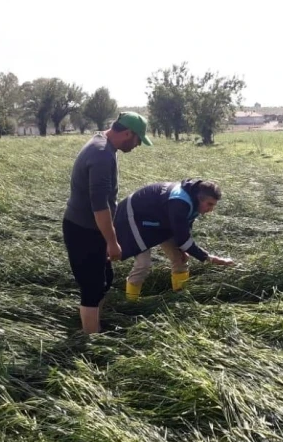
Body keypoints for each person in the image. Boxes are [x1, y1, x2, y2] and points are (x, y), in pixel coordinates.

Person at [62, 112, 152, 334]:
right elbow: (99, 206)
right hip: (84, 230)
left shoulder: (103, 145)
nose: (137, 145)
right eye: (138, 140)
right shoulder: (102, 154)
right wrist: (111, 242)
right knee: (92, 287)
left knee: (105, 278)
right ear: (128, 133)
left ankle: (94, 324)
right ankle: (90, 340)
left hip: (93, 229)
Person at [113, 178, 235, 300]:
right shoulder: (179, 202)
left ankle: (180, 296)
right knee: (143, 264)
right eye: (209, 204)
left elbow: (184, 230)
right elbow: (182, 238)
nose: (211, 209)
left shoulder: (194, 201)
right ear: (199, 198)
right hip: (133, 218)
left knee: (180, 259)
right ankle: (131, 303)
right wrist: (209, 258)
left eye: (213, 205)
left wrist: (183, 249)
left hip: (159, 220)